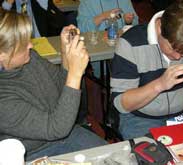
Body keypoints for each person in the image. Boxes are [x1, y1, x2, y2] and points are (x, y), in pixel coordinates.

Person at [0, 9, 107, 161]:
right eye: (23, 43)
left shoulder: (30, 58)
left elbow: (60, 87)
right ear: (2, 55)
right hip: (31, 154)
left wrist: (65, 53)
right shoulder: (3, 98)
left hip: (66, 134)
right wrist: (75, 73)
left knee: (113, 157)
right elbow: (56, 129)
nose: (30, 45)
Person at [110, 1, 183, 140]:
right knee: (157, 159)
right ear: (159, 29)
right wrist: (159, 85)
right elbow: (121, 103)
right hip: (140, 119)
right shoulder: (130, 43)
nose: (177, 57)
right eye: (173, 49)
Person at [77, 0, 139, 78]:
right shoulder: (87, 2)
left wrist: (129, 21)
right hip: (100, 51)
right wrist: (102, 17)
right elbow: (82, 28)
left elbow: (136, 23)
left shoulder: (125, 1)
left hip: (124, 49)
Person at [1, 0, 66, 37]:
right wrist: (8, 4)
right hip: (16, 46)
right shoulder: (6, 4)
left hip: (40, 43)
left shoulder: (38, 2)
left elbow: (60, 22)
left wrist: (45, 4)